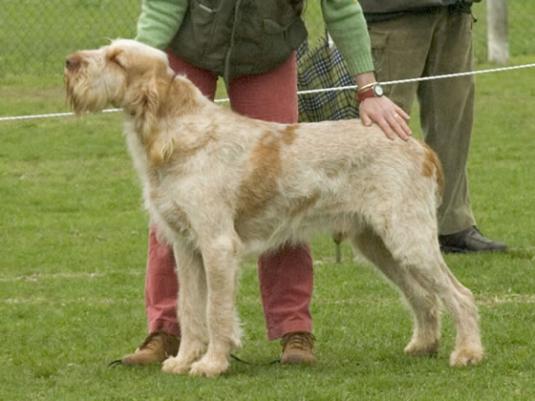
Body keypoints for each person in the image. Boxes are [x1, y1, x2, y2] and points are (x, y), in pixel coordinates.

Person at [118, 0, 411, 366]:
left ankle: (294, 328)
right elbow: (165, 4)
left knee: (286, 187)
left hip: (266, 51)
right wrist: (145, 64)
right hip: (189, 47)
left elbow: (341, 6)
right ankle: (166, 329)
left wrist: (368, 90)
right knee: (175, 197)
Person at [359, 0, 507, 253]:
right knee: (383, 131)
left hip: (453, 11)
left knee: (453, 123)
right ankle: (374, 229)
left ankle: (452, 225)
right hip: (391, 15)